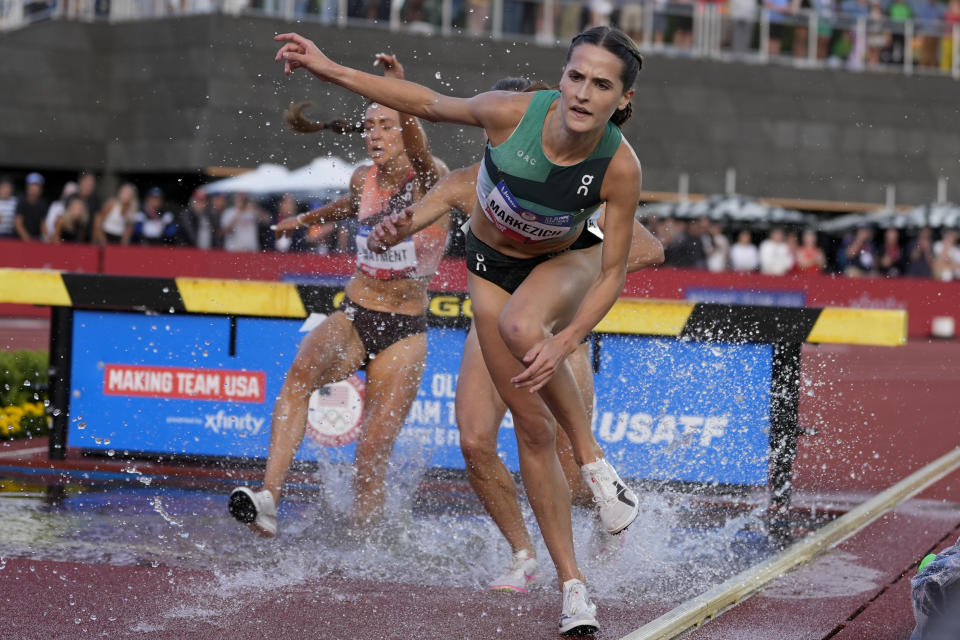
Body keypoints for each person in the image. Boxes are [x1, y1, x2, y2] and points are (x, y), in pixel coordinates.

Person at [272, 25, 645, 635]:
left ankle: (598, 468)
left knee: (528, 326)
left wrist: (567, 335)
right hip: (492, 275)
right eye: (575, 76)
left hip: (561, 277)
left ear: (622, 101)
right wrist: (328, 68)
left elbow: (619, 268)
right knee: (515, 431)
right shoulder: (508, 118)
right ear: (560, 78)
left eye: (601, 84)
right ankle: (569, 582)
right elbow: (426, 106)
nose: (582, 93)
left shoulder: (619, 168)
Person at [367, 77, 665, 590]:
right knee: (474, 439)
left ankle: (606, 517)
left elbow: (648, 250)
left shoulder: (576, 188)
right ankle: (522, 553)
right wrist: (392, 227)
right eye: (496, 128)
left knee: (569, 473)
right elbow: (416, 208)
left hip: (548, 329)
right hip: (491, 325)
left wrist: (564, 274)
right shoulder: (466, 182)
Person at [228, 53, 449, 541]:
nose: (373, 135)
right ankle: (268, 498)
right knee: (298, 377)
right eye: (368, 126)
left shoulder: (431, 177)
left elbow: (418, 143)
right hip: (355, 311)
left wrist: (399, 88)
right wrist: (305, 220)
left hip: (404, 329)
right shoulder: (360, 177)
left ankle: (364, 545)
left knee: (371, 450)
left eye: (385, 125)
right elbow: (351, 204)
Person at [14, 172, 49, 242]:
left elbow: (43, 224)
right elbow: (18, 224)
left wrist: (45, 239)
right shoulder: (22, 201)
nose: (34, 188)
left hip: (37, 239)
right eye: (32, 185)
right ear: (27, 187)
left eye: (37, 185)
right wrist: (28, 239)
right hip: (20, 239)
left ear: (41, 189)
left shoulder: (43, 203)